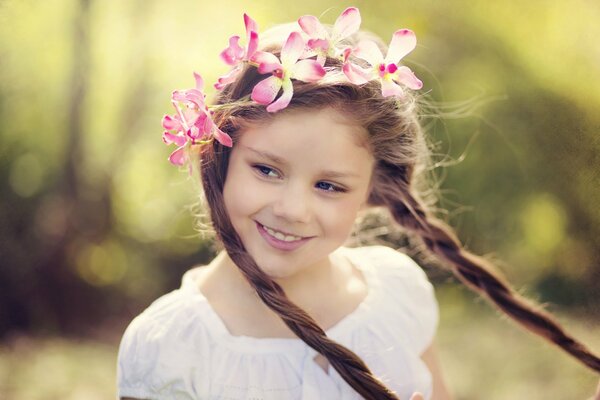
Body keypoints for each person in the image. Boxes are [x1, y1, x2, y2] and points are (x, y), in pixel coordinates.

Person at [116, 7, 600, 400]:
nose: (292, 209)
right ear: (219, 157)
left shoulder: (396, 293)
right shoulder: (170, 347)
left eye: (329, 186)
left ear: (372, 190)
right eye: (266, 169)